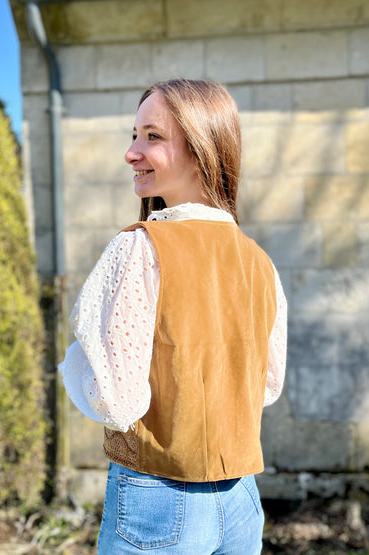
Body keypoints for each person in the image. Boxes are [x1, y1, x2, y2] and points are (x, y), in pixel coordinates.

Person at [59, 79, 287, 554]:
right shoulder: (259, 261)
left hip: (159, 498)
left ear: (203, 148)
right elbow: (266, 387)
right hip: (241, 497)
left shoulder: (139, 248)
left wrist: (72, 364)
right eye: (135, 134)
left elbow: (117, 401)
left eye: (152, 136)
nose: (131, 152)